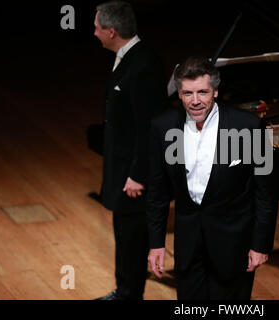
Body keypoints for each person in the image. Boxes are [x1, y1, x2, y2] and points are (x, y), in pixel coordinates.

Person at [146, 56, 278, 299]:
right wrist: (156, 243)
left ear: (216, 91)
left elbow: (266, 193)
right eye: (187, 93)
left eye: (202, 92)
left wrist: (260, 245)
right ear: (179, 94)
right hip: (188, 244)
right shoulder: (162, 127)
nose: (195, 101)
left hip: (233, 245)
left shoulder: (249, 127)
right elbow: (157, 193)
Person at [93, 1, 167, 300]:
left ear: (111, 31)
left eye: (97, 27)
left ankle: (128, 294)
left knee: (132, 236)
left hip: (134, 174)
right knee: (124, 232)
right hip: (123, 166)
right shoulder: (129, 58)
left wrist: (138, 174)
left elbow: (149, 127)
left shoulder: (143, 65)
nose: (94, 32)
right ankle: (124, 290)